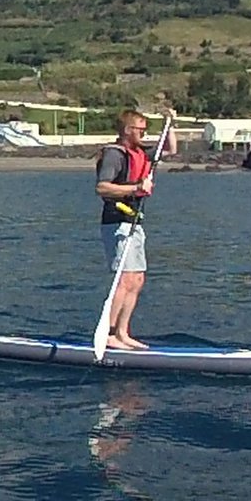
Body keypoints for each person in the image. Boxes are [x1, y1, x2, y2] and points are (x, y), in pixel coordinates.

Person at [94, 104, 175, 351]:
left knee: (137, 279)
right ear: (128, 130)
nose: (144, 133)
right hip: (117, 221)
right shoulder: (114, 155)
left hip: (135, 221)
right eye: (140, 129)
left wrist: (171, 123)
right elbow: (102, 188)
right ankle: (107, 333)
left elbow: (171, 149)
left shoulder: (140, 152)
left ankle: (122, 332)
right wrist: (135, 189)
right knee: (124, 279)